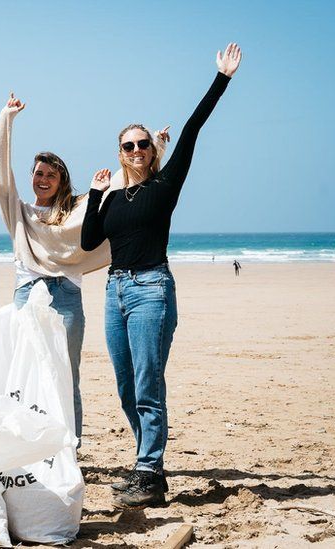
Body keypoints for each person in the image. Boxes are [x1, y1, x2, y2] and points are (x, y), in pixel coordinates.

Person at [82, 43, 242, 506]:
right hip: (115, 292)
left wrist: (221, 79)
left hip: (152, 289)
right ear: (120, 152)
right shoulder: (111, 196)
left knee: (149, 385)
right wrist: (95, 193)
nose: (136, 150)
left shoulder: (165, 186)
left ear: (153, 150)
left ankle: (149, 472)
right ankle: (146, 467)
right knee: (127, 385)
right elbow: (91, 242)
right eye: (128, 145)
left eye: (143, 144)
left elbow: (192, 129)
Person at [0, 92, 111, 443]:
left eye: (51, 175)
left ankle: (68, 449)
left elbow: (118, 186)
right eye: (38, 173)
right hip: (26, 296)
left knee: (65, 375)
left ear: (62, 181)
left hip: (66, 298)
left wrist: (157, 150)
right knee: (22, 373)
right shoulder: (19, 211)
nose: (43, 179)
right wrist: (6, 119)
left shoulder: (76, 211)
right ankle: (24, 445)